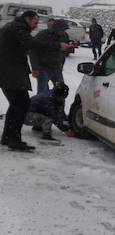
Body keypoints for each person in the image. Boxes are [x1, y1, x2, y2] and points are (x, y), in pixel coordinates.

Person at [0, 10, 72, 151]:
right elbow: (34, 44)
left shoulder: (12, 27)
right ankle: (14, 139)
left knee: (16, 104)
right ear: (27, 18)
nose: (36, 26)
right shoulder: (18, 28)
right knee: (21, 104)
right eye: (35, 22)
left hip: (8, 71)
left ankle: (8, 136)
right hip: (11, 72)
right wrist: (58, 46)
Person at [29, 19, 70, 93]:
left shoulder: (64, 36)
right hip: (43, 67)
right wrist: (35, 67)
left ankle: (59, 104)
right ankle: (42, 104)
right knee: (42, 91)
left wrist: (61, 62)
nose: (64, 32)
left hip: (57, 67)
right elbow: (33, 51)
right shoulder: (42, 35)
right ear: (57, 28)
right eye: (62, 30)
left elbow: (64, 51)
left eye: (65, 30)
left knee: (61, 90)